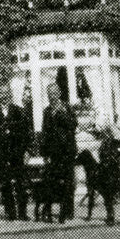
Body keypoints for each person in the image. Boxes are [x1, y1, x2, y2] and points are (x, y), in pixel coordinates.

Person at [0, 94, 33, 221]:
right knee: (5, 183)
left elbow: (26, 132)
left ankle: (22, 213)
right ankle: (10, 212)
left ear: (9, 94)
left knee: (21, 183)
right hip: (1, 154)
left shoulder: (18, 111)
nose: (4, 96)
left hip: (16, 152)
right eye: (2, 93)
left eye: (7, 93)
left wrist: (26, 150)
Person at [40, 71, 77, 223]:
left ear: (59, 93)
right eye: (50, 94)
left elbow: (73, 125)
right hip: (54, 152)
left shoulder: (67, 107)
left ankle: (69, 210)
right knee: (55, 181)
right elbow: (45, 132)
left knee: (69, 180)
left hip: (67, 150)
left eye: (55, 93)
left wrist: (62, 114)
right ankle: (59, 208)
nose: (52, 96)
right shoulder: (47, 111)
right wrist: (44, 153)